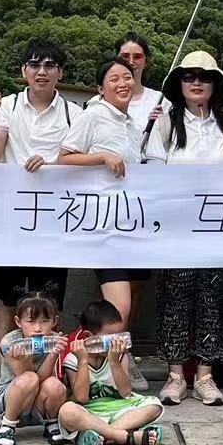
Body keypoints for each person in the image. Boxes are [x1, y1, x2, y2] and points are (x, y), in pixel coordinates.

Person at [145, 50, 223, 406]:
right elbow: (154, 173)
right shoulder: (166, 123)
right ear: (180, 84)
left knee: (214, 300)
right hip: (176, 229)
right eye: (189, 76)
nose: (197, 82)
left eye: (204, 77)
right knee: (174, 300)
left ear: (216, 84)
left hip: (219, 229)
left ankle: (205, 375)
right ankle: (175, 375)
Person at [60, 56, 153, 356]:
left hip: (133, 223)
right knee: (119, 307)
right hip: (104, 226)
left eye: (127, 77)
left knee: (130, 302)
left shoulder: (133, 124)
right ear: (101, 89)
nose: (122, 83)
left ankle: (116, 362)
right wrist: (102, 157)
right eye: (114, 79)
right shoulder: (92, 116)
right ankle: (91, 363)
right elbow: (64, 158)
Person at [0, 39, 75, 339]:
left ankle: (46, 366)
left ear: (60, 72)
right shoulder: (7, 106)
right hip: (9, 217)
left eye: (49, 65)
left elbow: (78, 161)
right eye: (34, 64)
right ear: (24, 71)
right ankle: (5, 367)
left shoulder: (74, 112)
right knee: (6, 300)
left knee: (48, 299)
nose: (41, 71)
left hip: (54, 219)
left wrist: (51, 164)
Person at [56, 299, 165, 445]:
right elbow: (81, 397)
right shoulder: (73, 359)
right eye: (110, 338)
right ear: (88, 336)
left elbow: (125, 392)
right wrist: (83, 361)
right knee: (67, 412)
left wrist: (114, 360)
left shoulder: (120, 356)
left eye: (119, 336)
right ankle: (125, 437)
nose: (117, 343)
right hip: (90, 412)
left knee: (154, 406)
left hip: (120, 410)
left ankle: (102, 437)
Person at [0, 293, 70, 445]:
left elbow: (43, 379)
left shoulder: (56, 341)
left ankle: (51, 422)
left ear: (55, 321)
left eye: (45, 321)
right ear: (18, 322)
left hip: (40, 398)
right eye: (30, 321)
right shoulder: (9, 343)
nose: (38, 328)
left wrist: (54, 354)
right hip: (12, 398)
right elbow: (29, 378)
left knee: (55, 385)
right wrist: (23, 359)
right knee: (29, 378)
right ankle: (7, 425)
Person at [86, 32, 164, 137]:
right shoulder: (98, 102)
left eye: (137, 57)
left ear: (146, 61)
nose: (131, 62)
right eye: (125, 56)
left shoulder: (160, 100)